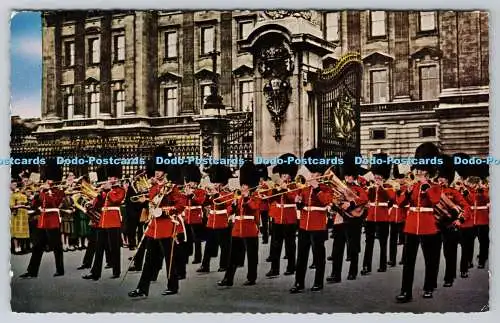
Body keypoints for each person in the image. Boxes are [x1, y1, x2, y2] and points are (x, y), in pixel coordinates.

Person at [128, 147, 184, 297]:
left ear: (165, 172)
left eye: (159, 170)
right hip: (154, 228)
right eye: (156, 170)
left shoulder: (171, 188)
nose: (157, 173)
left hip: (166, 227)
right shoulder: (153, 189)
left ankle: (173, 286)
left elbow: (180, 206)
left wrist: (165, 211)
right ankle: (142, 288)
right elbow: (151, 205)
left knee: (169, 259)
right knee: (149, 260)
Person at [396, 143, 442, 303]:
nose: (419, 172)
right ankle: (405, 291)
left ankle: (428, 287)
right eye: (418, 169)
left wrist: (427, 187)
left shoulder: (434, 186)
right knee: (408, 262)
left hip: (428, 226)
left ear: (428, 171)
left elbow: (435, 200)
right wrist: (407, 193)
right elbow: (400, 202)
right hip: (411, 226)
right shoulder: (413, 186)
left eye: (422, 169)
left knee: (430, 259)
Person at [290, 148, 334, 293]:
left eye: (316, 173)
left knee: (318, 255)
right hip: (304, 224)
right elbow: (301, 203)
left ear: (320, 174)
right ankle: (298, 282)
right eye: (312, 173)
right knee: (301, 255)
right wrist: (298, 201)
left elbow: (326, 201)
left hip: (318, 225)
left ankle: (318, 282)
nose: (313, 176)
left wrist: (316, 188)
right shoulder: (305, 186)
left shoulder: (326, 187)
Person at [218, 161, 261, 286]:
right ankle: (228, 278)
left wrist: (247, 198)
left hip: (250, 229)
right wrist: (233, 205)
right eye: (242, 185)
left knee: (252, 256)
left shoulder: (256, 195)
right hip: (237, 229)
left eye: (245, 185)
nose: (243, 188)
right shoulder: (238, 197)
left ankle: (251, 277)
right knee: (233, 256)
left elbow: (254, 207)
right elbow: (228, 211)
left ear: (251, 186)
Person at [20, 159, 65, 278]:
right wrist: (37, 194)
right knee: (37, 247)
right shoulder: (43, 191)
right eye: (47, 179)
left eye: (49, 179)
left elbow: (54, 202)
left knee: (57, 247)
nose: (47, 181)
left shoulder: (59, 191)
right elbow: (34, 204)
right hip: (43, 221)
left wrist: (46, 191)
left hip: (53, 220)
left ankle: (60, 270)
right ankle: (32, 271)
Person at [327, 153, 368, 282]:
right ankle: (335, 274)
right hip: (340, 220)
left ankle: (353, 271)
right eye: (346, 175)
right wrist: (334, 203)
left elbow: (364, 198)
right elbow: (334, 202)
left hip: (353, 221)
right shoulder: (339, 188)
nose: (348, 177)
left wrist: (350, 203)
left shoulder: (358, 188)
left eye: (350, 176)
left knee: (353, 247)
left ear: (354, 176)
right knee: (337, 248)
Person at [82, 165, 126, 280]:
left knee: (115, 247)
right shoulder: (105, 191)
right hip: (103, 221)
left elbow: (116, 200)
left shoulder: (120, 190)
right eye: (109, 177)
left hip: (114, 221)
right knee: (99, 247)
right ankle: (95, 272)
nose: (110, 180)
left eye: (113, 178)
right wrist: (99, 194)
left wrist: (108, 190)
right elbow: (96, 205)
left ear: (117, 179)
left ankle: (116, 271)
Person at [436, 155, 470, 288]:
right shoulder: (434, 190)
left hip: (450, 225)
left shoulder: (453, 192)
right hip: (437, 225)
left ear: (448, 179)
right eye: (440, 178)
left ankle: (448, 277)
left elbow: (466, 207)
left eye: (443, 178)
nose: (441, 180)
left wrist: (460, 219)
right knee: (444, 253)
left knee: (450, 253)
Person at [265, 153, 299, 277]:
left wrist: (286, 190)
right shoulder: (277, 185)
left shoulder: (295, 185)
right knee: (275, 245)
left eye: (286, 174)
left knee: (290, 244)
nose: (284, 176)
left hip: (289, 218)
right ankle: (274, 268)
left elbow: (294, 197)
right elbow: (270, 199)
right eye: (283, 174)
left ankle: (291, 266)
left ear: (291, 175)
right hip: (277, 218)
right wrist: (275, 190)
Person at [361, 153, 394, 275]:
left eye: (379, 177)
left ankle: (382, 264)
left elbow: (391, 198)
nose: (377, 179)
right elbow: (364, 199)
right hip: (370, 217)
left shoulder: (389, 186)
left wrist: (382, 187)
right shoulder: (371, 187)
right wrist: (369, 188)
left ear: (383, 177)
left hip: (383, 217)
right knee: (369, 243)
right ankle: (366, 266)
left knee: (383, 243)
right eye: (376, 177)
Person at [196, 165, 233, 273]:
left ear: (222, 182)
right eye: (214, 182)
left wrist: (217, 195)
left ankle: (224, 265)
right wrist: (208, 196)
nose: (215, 184)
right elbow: (204, 203)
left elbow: (227, 203)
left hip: (222, 221)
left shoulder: (228, 192)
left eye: (217, 182)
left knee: (224, 245)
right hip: (212, 222)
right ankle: (205, 265)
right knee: (209, 245)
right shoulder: (212, 192)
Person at [179, 164, 206, 265]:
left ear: (197, 182)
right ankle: (186, 256)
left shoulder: (200, 191)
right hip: (187, 217)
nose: (191, 184)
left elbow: (201, 201)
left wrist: (192, 195)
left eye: (193, 182)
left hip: (196, 217)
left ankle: (198, 257)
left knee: (197, 239)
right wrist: (185, 195)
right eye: (190, 181)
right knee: (187, 238)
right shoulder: (185, 191)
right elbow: (182, 204)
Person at [388, 165, 408, 267]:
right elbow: (390, 199)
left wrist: (400, 192)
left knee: (405, 239)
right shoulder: (394, 187)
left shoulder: (407, 188)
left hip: (404, 215)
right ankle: (392, 259)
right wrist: (395, 191)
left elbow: (403, 202)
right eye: (399, 177)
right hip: (394, 215)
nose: (400, 179)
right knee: (392, 239)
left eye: (402, 177)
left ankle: (404, 258)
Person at [10, 180, 30, 254]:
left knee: (22, 231)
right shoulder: (13, 195)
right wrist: (20, 205)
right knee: (16, 232)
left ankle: (21, 247)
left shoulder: (24, 196)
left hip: (23, 214)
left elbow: (28, 205)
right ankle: (16, 247)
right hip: (17, 214)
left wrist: (25, 206)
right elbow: (11, 205)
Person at [256, 164, 270, 244]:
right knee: (257, 223)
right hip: (257, 207)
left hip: (264, 207)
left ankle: (265, 238)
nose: (260, 179)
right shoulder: (256, 187)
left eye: (261, 178)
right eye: (259, 178)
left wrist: (264, 196)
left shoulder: (266, 186)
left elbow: (269, 196)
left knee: (265, 224)